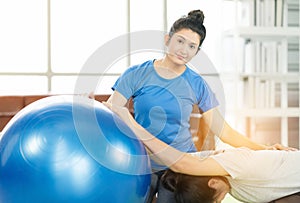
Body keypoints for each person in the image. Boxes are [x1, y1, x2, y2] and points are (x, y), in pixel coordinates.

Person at [103, 9, 292, 203]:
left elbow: (224, 131)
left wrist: (265, 148)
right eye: (180, 41)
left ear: (197, 51)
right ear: (167, 39)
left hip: (182, 167)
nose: (184, 50)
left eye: (192, 46)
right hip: (143, 164)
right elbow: (113, 112)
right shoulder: (136, 74)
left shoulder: (197, 83)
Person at [103, 102, 300, 203]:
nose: (220, 201)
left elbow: (181, 163)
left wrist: (129, 121)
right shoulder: (219, 168)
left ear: (213, 182)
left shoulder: (239, 163)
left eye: (216, 200)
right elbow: (172, 161)